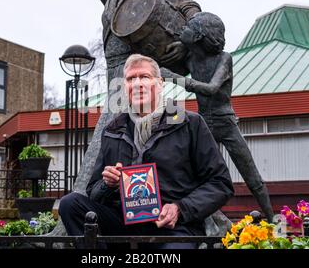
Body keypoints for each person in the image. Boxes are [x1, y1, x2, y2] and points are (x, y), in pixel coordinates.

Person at [59, 54, 234, 249]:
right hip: (123, 222)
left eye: (144, 77)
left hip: (174, 227)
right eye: (131, 79)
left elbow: (220, 183)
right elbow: (93, 192)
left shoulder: (189, 123)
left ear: (159, 83)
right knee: (70, 204)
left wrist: (180, 208)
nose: (137, 83)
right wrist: (107, 184)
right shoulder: (113, 130)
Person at [72, 0, 201, 194]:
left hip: (131, 78)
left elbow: (189, 7)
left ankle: (76, 216)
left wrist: (186, 41)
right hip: (114, 77)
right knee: (119, 147)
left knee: (101, 144)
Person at [160, 12, 274, 222]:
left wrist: (173, 78)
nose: (182, 31)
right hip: (204, 124)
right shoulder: (190, 57)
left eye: (188, 29)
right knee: (197, 176)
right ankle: (204, 225)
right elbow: (167, 57)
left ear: (198, 36)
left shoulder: (224, 58)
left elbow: (211, 89)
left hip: (225, 122)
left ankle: (273, 221)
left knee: (251, 175)